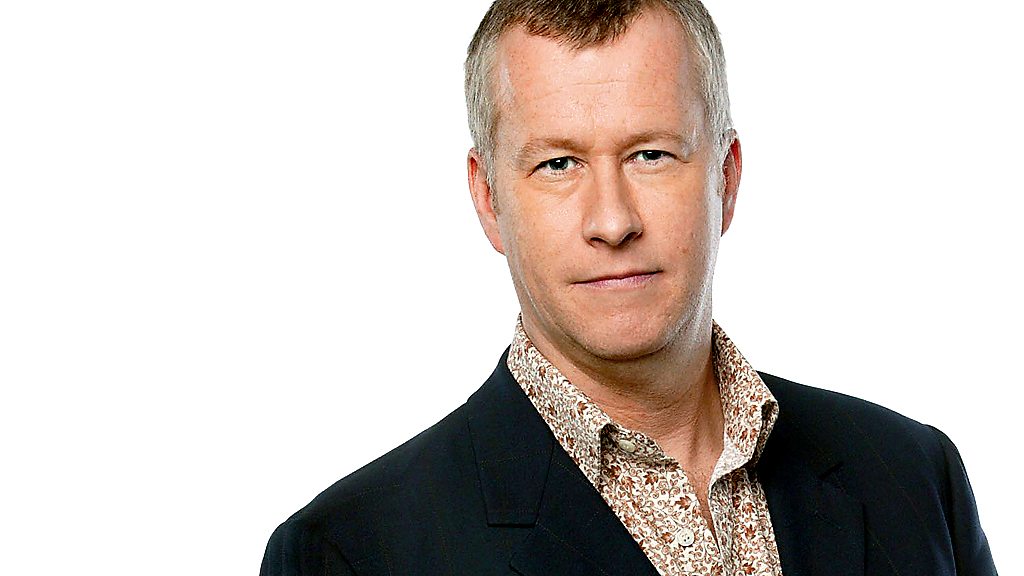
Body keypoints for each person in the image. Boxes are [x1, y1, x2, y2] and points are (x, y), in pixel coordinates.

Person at [261, 1, 997, 574]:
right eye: (557, 164)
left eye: (651, 154)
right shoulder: (348, 554)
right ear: (487, 199)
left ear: (726, 176)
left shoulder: (914, 477)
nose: (612, 221)